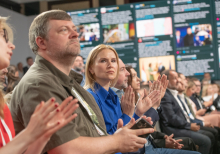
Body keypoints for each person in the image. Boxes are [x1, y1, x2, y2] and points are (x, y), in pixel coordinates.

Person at [10, 10, 154, 154]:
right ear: (42, 42)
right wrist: (115, 141)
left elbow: (91, 135)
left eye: (74, 29)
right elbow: (64, 148)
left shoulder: (69, 83)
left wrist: (114, 138)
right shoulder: (39, 84)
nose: (75, 34)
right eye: (64, 30)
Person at [0, 16, 79, 153]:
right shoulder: (36, 83)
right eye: (3, 38)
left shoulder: (1, 104)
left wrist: (42, 135)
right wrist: (29, 134)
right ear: (41, 42)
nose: (11, 45)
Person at [159, 70, 211, 154]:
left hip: (180, 126)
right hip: (172, 130)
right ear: (166, 81)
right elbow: (171, 118)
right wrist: (189, 125)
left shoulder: (172, 94)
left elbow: (183, 114)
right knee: (206, 140)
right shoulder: (165, 95)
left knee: (209, 135)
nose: (179, 81)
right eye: (175, 78)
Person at [178, 75, 220, 154]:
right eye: (193, 88)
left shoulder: (190, 97)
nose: (195, 90)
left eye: (199, 86)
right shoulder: (184, 98)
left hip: (193, 121)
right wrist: (197, 123)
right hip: (189, 123)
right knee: (209, 136)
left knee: (215, 130)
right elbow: (191, 115)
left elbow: (188, 115)